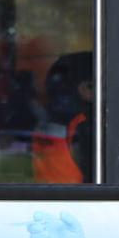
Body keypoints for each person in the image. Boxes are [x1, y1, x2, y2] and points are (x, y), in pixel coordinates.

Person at [32, 51, 93, 184]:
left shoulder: (43, 121)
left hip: (47, 198)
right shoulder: (82, 125)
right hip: (77, 200)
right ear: (86, 89)